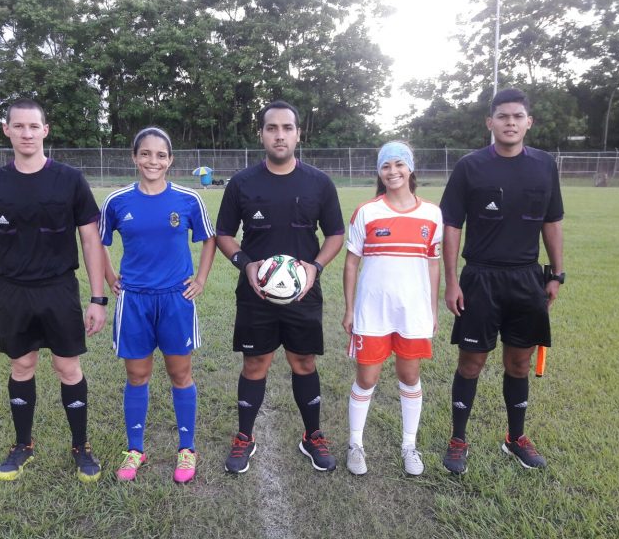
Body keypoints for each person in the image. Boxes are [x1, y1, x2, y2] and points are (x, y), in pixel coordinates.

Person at [0, 98, 107, 483]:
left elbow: (91, 241)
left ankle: (80, 446)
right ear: (7, 131)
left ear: (45, 130)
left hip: (59, 289)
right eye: (19, 126)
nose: (26, 133)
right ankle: (22, 445)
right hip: (13, 291)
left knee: (68, 367)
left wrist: (97, 299)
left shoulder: (70, 179)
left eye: (33, 126)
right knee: (22, 365)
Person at [216, 100, 345, 473]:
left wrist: (315, 268)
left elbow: (336, 234)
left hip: (303, 292)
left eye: (287, 128)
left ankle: (312, 436)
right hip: (256, 294)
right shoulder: (242, 183)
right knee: (255, 362)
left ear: (298, 134)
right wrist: (246, 264)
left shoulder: (319, 183)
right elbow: (224, 233)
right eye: (271, 128)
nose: (279, 135)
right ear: (261, 134)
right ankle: (245, 436)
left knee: (304, 361)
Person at [440, 88, 564, 474]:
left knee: (520, 363)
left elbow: (552, 221)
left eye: (517, 116)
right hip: (480, 277)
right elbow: (451, 225)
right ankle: (458, 439)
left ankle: (516, 438)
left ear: (529, 122)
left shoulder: (544, 165)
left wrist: (556, 273)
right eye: (503, 116)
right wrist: (451, 281)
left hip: (526, 278)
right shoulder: (470, 167)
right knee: (471, 362)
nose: (510, 122)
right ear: (490, 122)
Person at [99, 127, 216, 484]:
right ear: (135, 158)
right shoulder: (117, 201)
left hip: (175, 300)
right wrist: (110, 275)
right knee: (137, 375)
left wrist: (200, 279)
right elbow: (98, 241)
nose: (153, 161)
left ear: (170, 160)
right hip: (134, 301)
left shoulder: (188, 199)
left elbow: (209, 239)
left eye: (161, 155)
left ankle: (187, 448)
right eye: (146, 154)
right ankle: (135, 449)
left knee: (180, 374)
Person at [342, 141, 442, 476]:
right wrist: (350, 309)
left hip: (412, 312)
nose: (393, 171)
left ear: (410, 168)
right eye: (386, 166)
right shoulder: (367, 212)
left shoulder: (432, 214)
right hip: (372, 313)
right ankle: (355, 444)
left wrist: (432, 310)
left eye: (399, 164)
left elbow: (432, 265)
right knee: (367, 378)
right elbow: (351, 264)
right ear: (379, 172)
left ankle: (409, 445)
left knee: (409, 376)